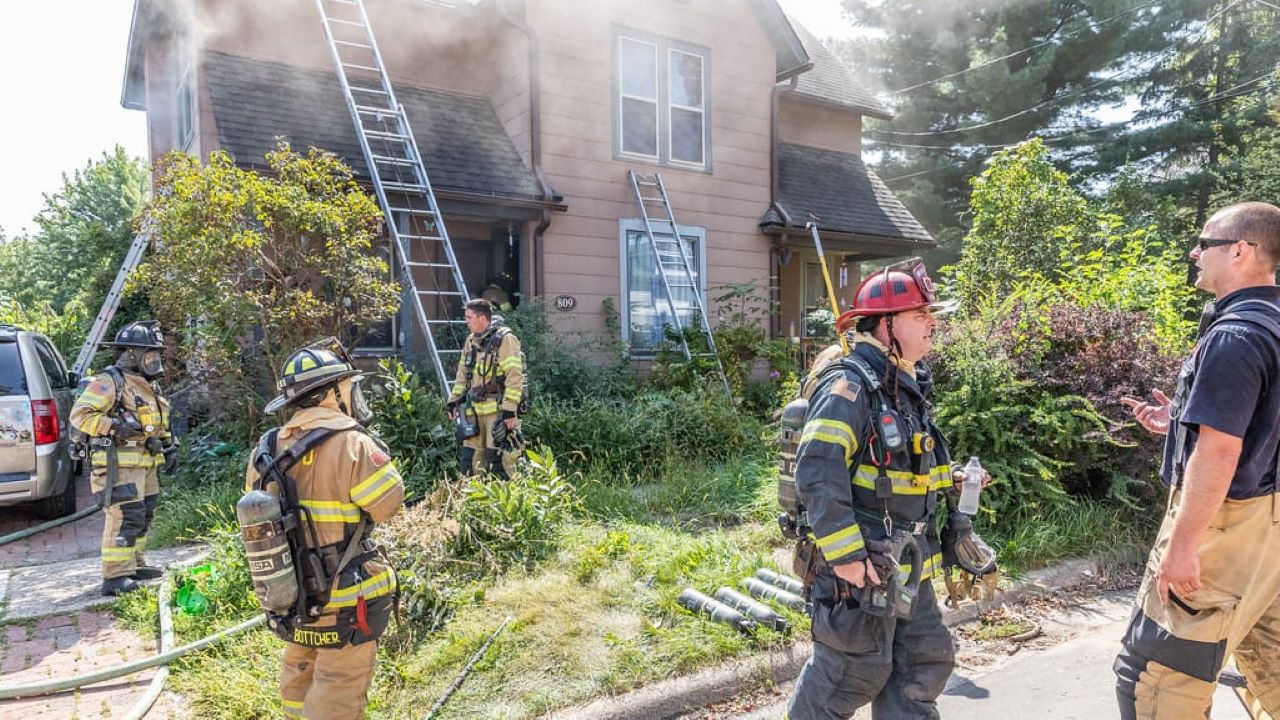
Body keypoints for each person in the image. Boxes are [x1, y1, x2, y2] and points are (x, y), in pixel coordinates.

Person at [784, 259, 986, 720]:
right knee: (847, 676)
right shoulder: (850, 386)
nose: (932, 325)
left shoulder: (901, 388)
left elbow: (899, 470)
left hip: (908, 568)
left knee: (921, 667)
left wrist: (951, 479)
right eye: (920, 316)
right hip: (863, 571)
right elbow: (817, 471)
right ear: (885, 326)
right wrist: (848, 558)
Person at [1115, 201, 1280, 719]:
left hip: (1225, 531)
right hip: (1269, 533)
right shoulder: (1271, 321)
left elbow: (1221, 450)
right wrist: (1181, 421)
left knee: (1153, 674)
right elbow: (1254, 423)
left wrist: (1183, 547)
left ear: (1240, 250)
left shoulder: (1234, 336)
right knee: (1268, 660)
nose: (1194, 252)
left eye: (1205, 243)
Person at [247, 338, 404, 720]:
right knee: (338, 686)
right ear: (332, 392)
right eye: (348, 386)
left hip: (293, 598)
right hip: (347, 598)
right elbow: (387, 507)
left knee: (299, 675)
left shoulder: (266, 448)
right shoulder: (353, 443)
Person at [70, 320, 176, 597]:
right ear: (131, 354)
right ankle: (115, 576)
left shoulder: (146, 386)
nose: (154, 359)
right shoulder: (109, 382)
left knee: (143, 514)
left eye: (156, 354)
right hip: (118, 466)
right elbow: (80, 415)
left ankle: (134, 565)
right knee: (125, 515)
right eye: (149, 354)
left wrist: (168, 445)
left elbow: (157, 423)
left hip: (145, 464)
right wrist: (114, 427)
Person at [447, 298, 526, 478]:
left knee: (498, 461)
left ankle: (506, 504)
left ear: (482, 318)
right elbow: (462, 373)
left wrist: (509, 411)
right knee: (470, 460)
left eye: (469, 318)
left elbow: (514, 376)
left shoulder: (506, 339)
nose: (466, 322)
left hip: (497, 412)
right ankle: (473, 501)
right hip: (473, 412)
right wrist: (454, 401)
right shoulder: (471, 341)